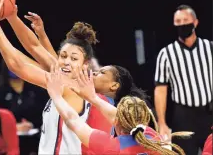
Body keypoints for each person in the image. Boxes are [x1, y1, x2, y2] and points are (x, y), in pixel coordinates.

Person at [0, 0, 112, 154]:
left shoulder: (71, 87)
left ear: (85, 65)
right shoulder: (64, 77)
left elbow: (18, 66)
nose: (66, 61)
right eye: (63, 56)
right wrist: (12, 16)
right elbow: (35, 47)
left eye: (74, 59)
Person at [44, 64, 188, 155]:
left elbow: (72, 120)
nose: (94, 73)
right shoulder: (152, 136)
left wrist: (56, 96)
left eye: (101, 72)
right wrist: (93, 97)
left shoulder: (112, 147)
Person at [154, 4, 213, 155]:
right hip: (184, 116)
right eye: (177, 21)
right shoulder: (166, 53)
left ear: (195, 22)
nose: (181, 24)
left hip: (209, 112)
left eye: (185, 20)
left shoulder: (210, 47)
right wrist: (162, 122)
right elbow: (161, 89)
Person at [0, 60, 49, 155]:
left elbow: (46, 112)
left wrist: (32, 124)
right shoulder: (0, 92)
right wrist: (14, 127)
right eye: (11, 66)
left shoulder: (37, 89)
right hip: (10, 137)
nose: (14, 69)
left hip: (37, 135)